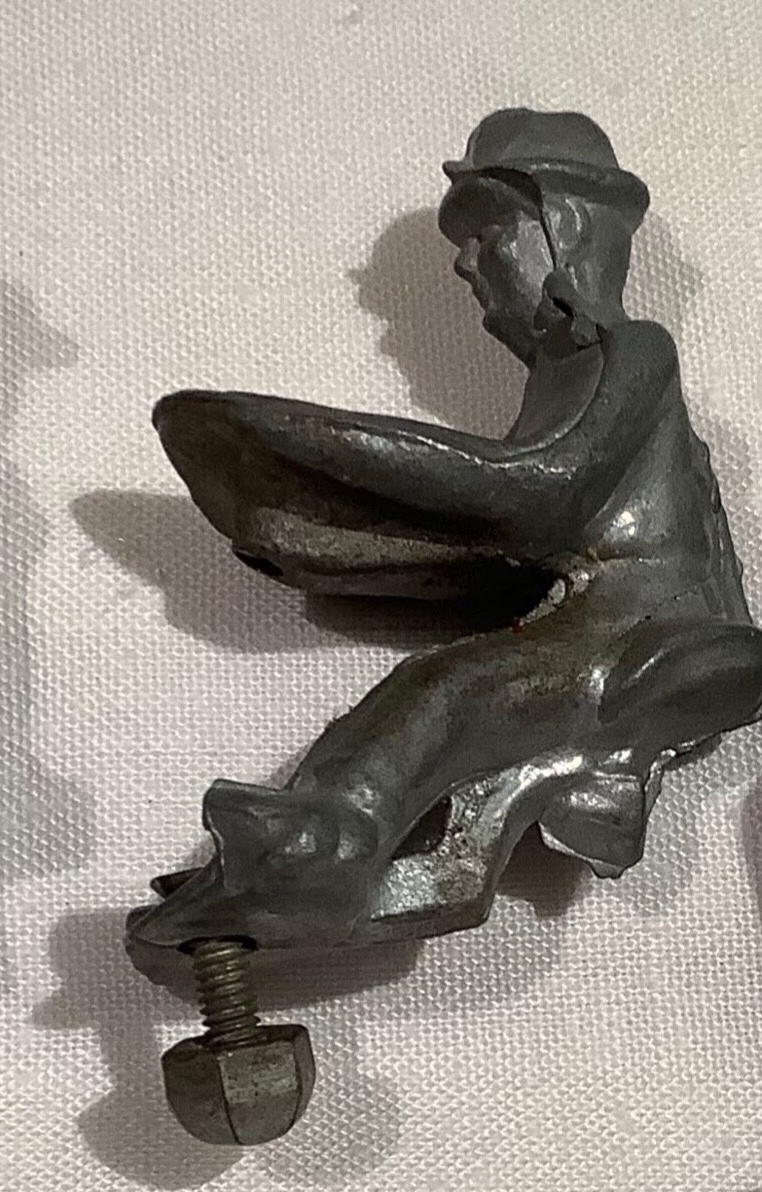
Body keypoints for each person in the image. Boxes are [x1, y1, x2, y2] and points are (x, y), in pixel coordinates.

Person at [132, 110, 762, 953]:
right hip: (604, 615)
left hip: (650, 632)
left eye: (488, 233)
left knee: (447, 690)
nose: (469, 264)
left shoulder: (633, 352)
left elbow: (542, 493)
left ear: (565, 229)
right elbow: (520, 544)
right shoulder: (566, 376)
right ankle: (332, 843)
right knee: (442, 685)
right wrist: (330, 549)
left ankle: (327, 850)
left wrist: (341, 463)